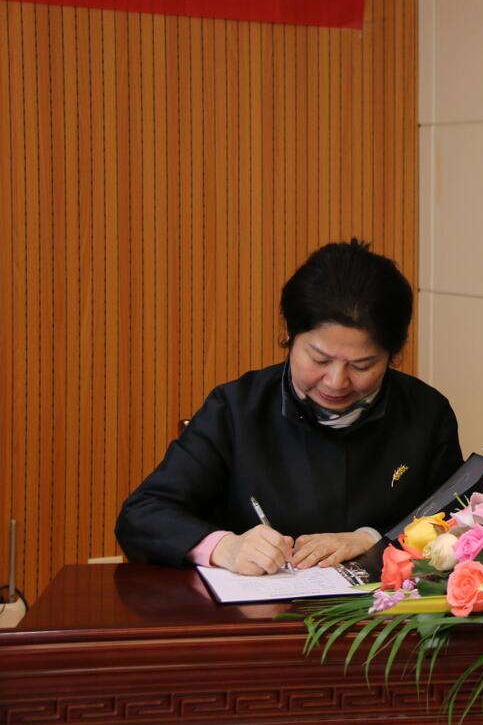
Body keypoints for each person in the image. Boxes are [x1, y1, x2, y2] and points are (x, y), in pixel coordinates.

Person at [116, 240, 463, 575]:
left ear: (392, 355)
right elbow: (143, 514)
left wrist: (374, 540)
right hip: (257, 609)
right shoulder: (237, 410)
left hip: (380, 612)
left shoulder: (426, 414)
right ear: (288, 334)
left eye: (362, 365)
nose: (336, 382)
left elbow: (459, 523)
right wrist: (224, 546)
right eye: (319, 359)